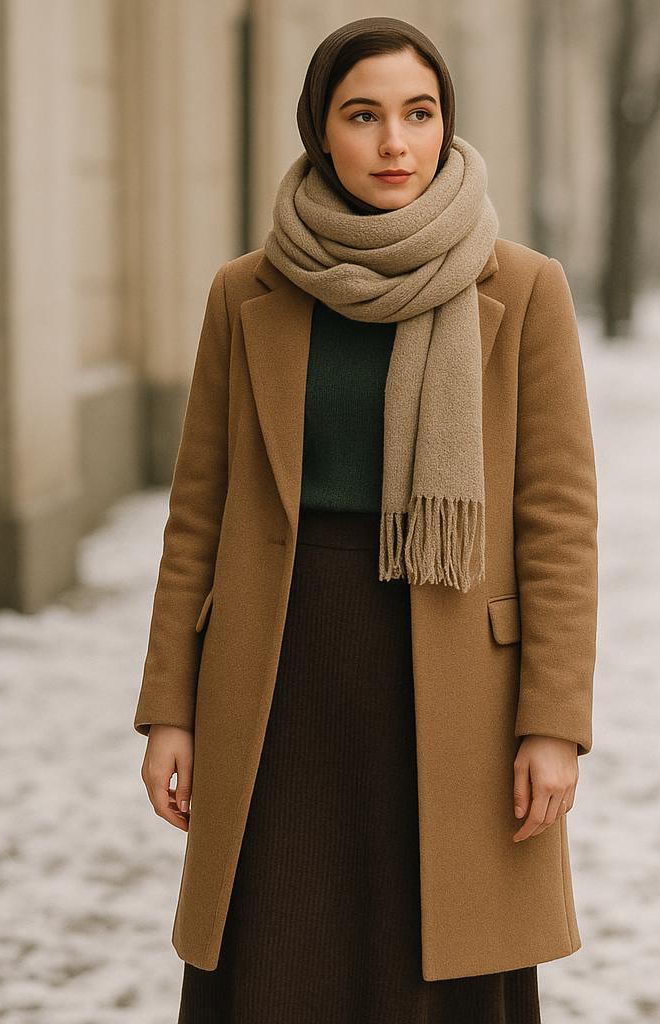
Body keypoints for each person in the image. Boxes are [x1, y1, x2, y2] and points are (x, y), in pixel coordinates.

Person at [134, 15, 598, 1022]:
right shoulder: (246, 293)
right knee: (278, 958)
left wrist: (552, 722)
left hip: (456, 684)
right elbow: (196, 518)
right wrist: (172, 705)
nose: (396, 142)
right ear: (320, 131)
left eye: (418, 113)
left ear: (445, 126)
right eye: (364, 115)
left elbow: (559, 526)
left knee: (437, 964)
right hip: (280, 676)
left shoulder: (521, 290)